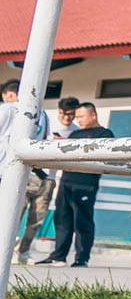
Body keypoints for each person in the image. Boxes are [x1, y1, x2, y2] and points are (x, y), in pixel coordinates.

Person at [38, 102, 112, 268]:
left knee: (82, 221)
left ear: (93, 115)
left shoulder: (104, 133)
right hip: (66, 182)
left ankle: (81, 258)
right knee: (62, 220)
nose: (78, 120)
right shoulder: (75, 134)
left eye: (81, 116)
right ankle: (58, 256)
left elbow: (104, 157)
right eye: (76, 117)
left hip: (86, 184)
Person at [2, 80, 53, 261]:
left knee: (26, 217)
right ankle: (8, 250)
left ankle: (18, 251)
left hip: (26, 172)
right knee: (13, 214)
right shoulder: (12, 110)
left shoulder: (40, 114)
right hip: (17, 170)